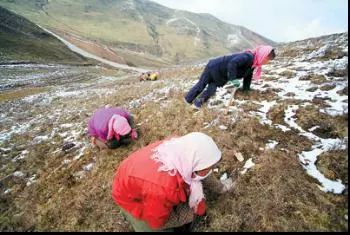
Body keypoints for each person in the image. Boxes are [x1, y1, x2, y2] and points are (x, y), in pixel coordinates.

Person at [111, 132, 235, 232]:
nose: (210, 170)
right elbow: (157, 221)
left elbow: (204, 173)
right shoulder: (164, 188)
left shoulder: (181, 150)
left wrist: (221, 188)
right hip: (132, 200)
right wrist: (189, 213)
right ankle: (130, 217)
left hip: (139, 182)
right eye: (208, 167)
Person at [184, 45, 276, 108]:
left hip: (221, 74)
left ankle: (197, 104)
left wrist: (246, 89)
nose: (267, 62)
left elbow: (248, 75)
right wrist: (233, 79)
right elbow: (233, 63)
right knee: (202, 84)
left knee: (211, 90)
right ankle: (187, 101)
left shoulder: (254, 63)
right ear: (263, 55)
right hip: (214, 67)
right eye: (267, 59)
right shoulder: (248, 57)